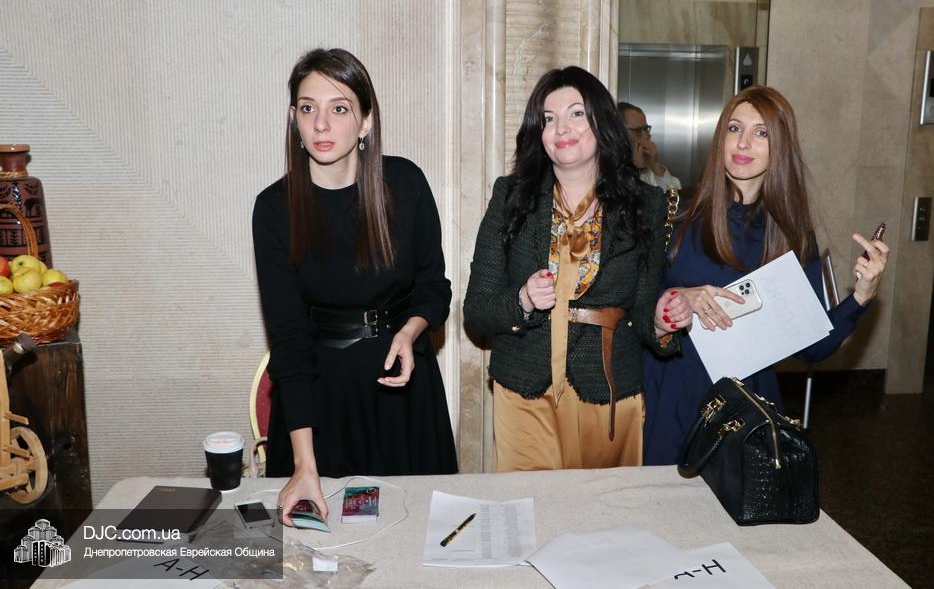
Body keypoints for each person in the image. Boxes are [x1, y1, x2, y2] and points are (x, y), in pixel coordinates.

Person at [253, 48, 457, 522]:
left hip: (402, 388)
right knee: (315, 543)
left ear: (365, 121)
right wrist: (304, 465)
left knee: (415, 534)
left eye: (339, 108)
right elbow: (288, 339)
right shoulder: (274, 209)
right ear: (294, 119)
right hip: (320, 400)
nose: (321, 124)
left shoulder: (405, 183)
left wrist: (411, 330)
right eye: (308, 108)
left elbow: (434, 287)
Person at [643, 86, 889, 465]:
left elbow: (812, 348)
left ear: (780, 147)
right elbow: (634, 309)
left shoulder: (792, 234)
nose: (744, 143)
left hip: (746, 413)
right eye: (734, 128)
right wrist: (673, 301)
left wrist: (862, 295)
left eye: (761, 133)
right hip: (670, 396)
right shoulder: (674, 211)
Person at [463, 66, 678, 472]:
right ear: (538, 132)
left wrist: (664, 323)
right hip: (525, 388)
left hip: (609, 390)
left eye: (576, 113)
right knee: (530, 503)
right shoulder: (511, 197)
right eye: (549, 118)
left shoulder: (646, 205)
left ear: (602, 123)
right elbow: (476, 310)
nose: (561, 127)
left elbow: (643, 309)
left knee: (603, 508)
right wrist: (524, 300)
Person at [618, 102, 682, 190]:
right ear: (618, 133)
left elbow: (674, 195)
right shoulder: (608, 167)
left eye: (646, 129)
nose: (647, 135)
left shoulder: (647, 165)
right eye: (638, 130)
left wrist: (656, 164)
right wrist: (637, 170)